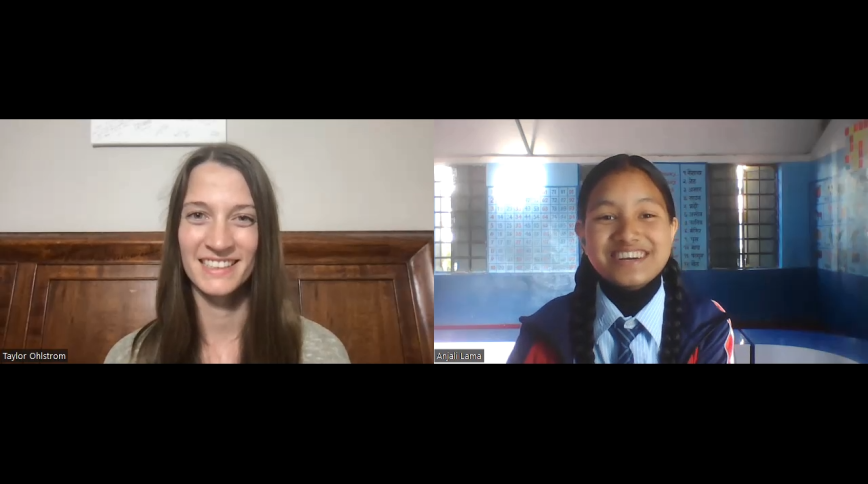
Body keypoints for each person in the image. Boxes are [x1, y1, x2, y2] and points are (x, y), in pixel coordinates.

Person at [104, 143, 350, 363]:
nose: (219, 241)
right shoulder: (128, 357)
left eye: (243, 218)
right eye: (198, 215)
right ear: (176, 231)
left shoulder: (320, 353)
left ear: (263, 235)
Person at [507, 154, 734, 364]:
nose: (627, 233)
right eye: (607, 216)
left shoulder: (708, 326)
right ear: (583, 237)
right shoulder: (543, 332)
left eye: (646, 215)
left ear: (672, 229)